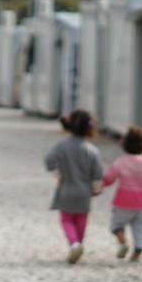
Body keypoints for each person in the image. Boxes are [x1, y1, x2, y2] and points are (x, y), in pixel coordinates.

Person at [45, 110, 104, 264]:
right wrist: (96, 187)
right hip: (84, 191)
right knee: (81, 219)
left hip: (66, 188)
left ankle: (74, 244)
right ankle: (79, 243)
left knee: (66, 219)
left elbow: (49, 161)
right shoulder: (92, 150)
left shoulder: (61, 147)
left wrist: (58, 172)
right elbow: (98, 173)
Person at [101, 126, 142, 262]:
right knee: (139, 228)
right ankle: (138, 250)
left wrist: (101, 185)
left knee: (116, 224)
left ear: (124, 145)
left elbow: (109, 177)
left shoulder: (121, 162)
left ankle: (122, 240)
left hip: (123, 202)